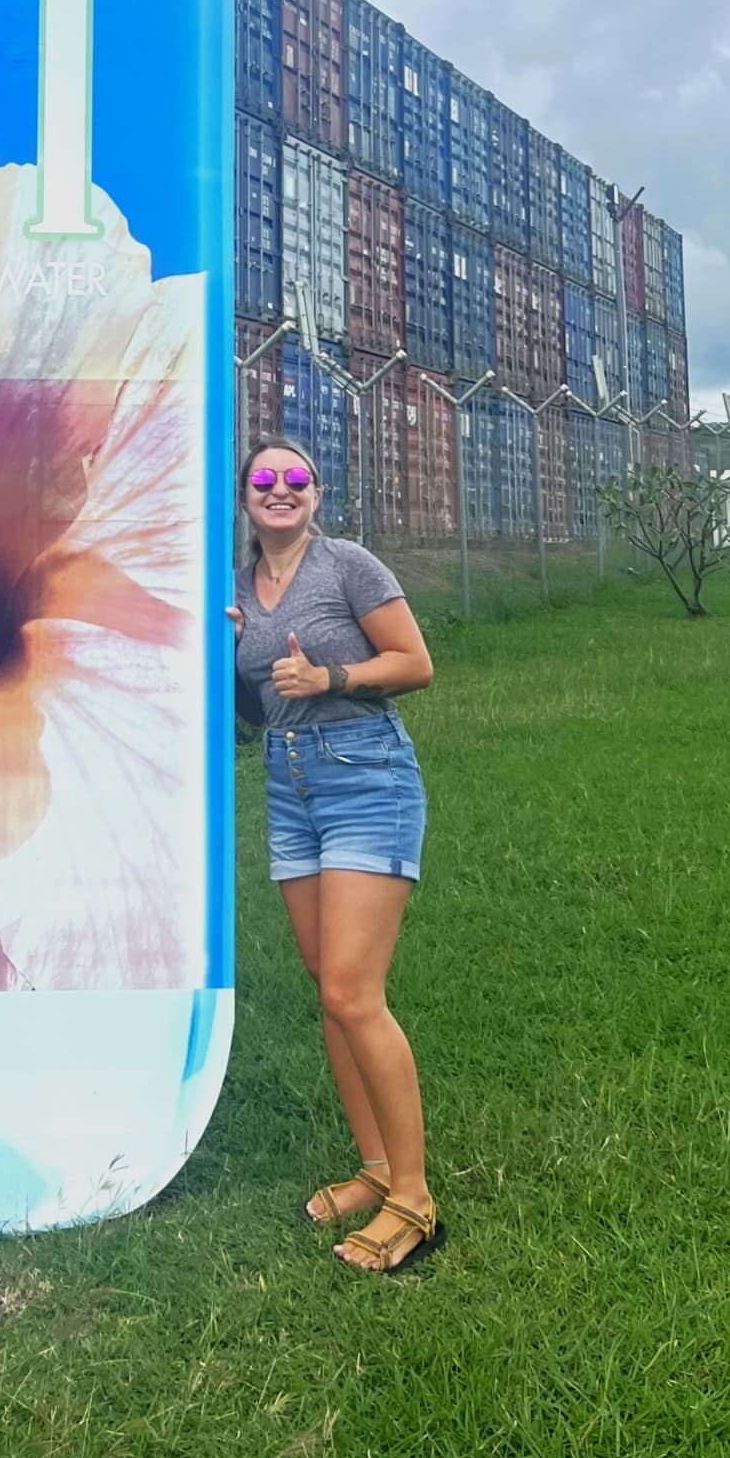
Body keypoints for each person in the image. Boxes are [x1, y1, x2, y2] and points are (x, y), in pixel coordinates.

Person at [228, 437, 441, 1273]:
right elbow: (254, 712)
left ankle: (415, 1202)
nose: (280, 490)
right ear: (244, 497)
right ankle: (376, 1166)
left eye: (296, 480)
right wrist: (226, 650)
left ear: (317, 493)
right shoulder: (239, 591)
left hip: (366, 776)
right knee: (328, 989)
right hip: (290, 789)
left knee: (356, 991)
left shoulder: (348, 565)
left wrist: (335, 680)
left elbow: (416, 664)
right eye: (264, 480)